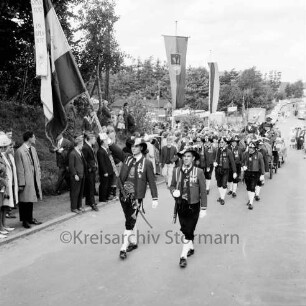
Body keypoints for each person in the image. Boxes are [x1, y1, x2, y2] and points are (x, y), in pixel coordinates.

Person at [109, 138, 158, 260]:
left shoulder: (147, 163)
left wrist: (155, 198)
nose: (133, 148)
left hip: (136, 198)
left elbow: (152, 182)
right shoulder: (127, 158)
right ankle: (134, 242)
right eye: (132, 146)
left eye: (136, 146)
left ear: (141, 147)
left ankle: (123, 248)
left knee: (129, 221)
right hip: (123, 195)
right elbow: (116, 150)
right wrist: (108, 141)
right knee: (129, 218)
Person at [170, 146, 207, 268]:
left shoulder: (199, 172)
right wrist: (173, 192)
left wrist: (204, 208)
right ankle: (190, 246)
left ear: (193, 158)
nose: (186, 159)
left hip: (194, 205)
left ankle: (183, 256)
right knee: (185, 228)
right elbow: (172, 186)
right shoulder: (176, 171)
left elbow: (203, 190)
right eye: (184, 156)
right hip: (181, 205)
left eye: (188, 156)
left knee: (188, 230)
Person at [14, 131, 42, 228]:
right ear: (29, 138)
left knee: (30, 199)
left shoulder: (33, 149)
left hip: (33, 178)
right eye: (34, 137)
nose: (35, 139)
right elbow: (19, 168)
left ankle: (30, 218)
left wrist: (39, 175)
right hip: (25, 180)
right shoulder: (19, 151)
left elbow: (37, 163)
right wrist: (21, 183)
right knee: (24, 200)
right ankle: (24, 220)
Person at [242, 142, 265, 210]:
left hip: (255, 173)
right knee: (248, 187)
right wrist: (243, 166)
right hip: (247, 173)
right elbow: (242, 162)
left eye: (252, 148)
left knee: (252, 187)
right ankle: (250, 199)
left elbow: (262, 164)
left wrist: (262, 174)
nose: (250, 149)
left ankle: (250, 203)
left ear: (255, 148)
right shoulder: (245, 154)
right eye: (249, 148)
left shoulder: (259, 154)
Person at [214, 138, 237, 205]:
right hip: (218, 169)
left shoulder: (229, 151)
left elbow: (232, 162)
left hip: (225, 170)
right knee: (219, 184)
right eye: (220, 142)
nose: (221, 143)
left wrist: (235, 172)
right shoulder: (217, 150)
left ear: (226, 143)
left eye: (222, 142)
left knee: (224, 184)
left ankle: (222, 198)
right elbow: (215, 158)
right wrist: (214, 162)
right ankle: (221, 196)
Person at [69, 135, 87, 213]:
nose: (82, 145)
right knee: (75, 192)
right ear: (78, 144)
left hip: (82, 174)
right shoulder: (72, 153)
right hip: (76, 176)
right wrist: (75, 174)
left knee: (80, 192)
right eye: (82, 144)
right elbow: (71, 166)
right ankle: (74, 207)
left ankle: (79, 205)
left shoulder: (80, 152)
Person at [82, 132, 98, 211]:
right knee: (91, 186)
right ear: (90, 139)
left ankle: (88, 201)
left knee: (91, 186)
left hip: (92, 168)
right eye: (94, 139)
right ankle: (92, 203)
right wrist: (90, 168)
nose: (95, 140)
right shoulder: (85, 147)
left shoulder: (90, 146)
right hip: (89, 170)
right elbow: (84, 160)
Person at [97, 133, 115, 202]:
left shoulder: (106, 149)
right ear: (102, 142)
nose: (106, 142)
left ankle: (107, 196)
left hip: (110, 170)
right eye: (105, 141)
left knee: (109, 184)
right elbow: (102, 163)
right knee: (104, 184)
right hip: (105, 171)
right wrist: (105, 172)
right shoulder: (100, 151)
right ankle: (102, 198)